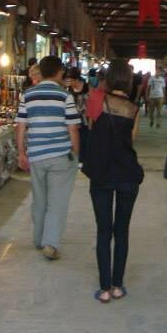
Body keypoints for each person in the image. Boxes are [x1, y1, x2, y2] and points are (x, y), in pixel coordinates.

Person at [82, 59, 144, 303]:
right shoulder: (134, 109)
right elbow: (131, 141)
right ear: (128, 81)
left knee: (103, 230)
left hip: (102, 174)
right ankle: (118, 285)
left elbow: (91, 128)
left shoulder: (97, 100)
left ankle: (105, 288)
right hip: (127, 174)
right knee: (122, 230)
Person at [15, 55, 81, 260]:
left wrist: (21, 153)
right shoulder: (65, 96)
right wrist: (76, 154)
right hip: (61, 155)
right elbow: (73, 129)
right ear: (59, 72)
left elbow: (21, 126)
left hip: (36, 154)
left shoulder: (27, 95)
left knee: (40, 198)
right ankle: (50, 243)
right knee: (57, 201)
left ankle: (38, 239)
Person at [65, 66, 89, 163]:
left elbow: (90, 102)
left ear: (76, 79)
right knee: (73, 137)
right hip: (73, 117)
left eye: (71, 80)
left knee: (84, 137)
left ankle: (83, 158)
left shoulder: (87, 86)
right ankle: (75, 157)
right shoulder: (69, 89)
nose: (70, 83)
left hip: (85, 118)